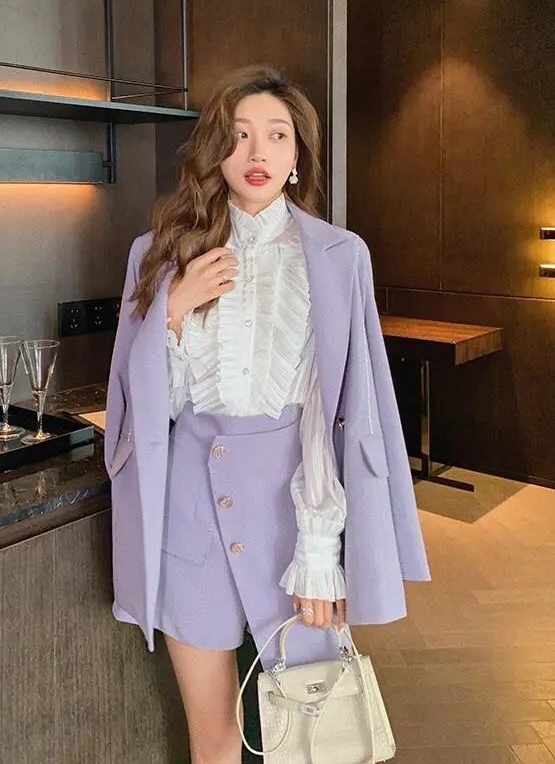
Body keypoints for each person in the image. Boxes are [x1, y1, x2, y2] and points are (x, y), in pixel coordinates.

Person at [104, 64, 431, 764]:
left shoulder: (338, 256)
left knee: (313, 734)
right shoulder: (157, 255)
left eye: (277, 136)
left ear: (297, 153)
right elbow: (144, 413)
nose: (257, 153)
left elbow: (335, 413)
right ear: (215, 150)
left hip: (295, 517)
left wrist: (320, 552)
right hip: (188, 514)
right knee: (214, 740)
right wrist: (174, 309)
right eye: (240, 134)